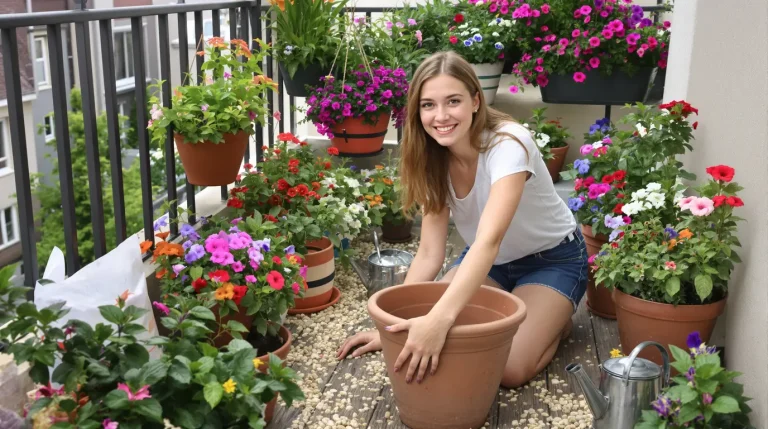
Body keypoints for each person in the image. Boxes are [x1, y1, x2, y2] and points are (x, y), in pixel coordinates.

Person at [336, 51, 587, 388]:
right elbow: (428, 253)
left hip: (553, 261)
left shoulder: (509, 145)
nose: (440, 116)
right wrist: (395, 326)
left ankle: (557, 323)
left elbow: (488, 241)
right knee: (447, 342)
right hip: (491, 265)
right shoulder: (433, 157)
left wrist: (437, 320)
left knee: (507, 369)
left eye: (452, 101)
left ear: (474, 101)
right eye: (428, 105)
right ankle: (532, 315)